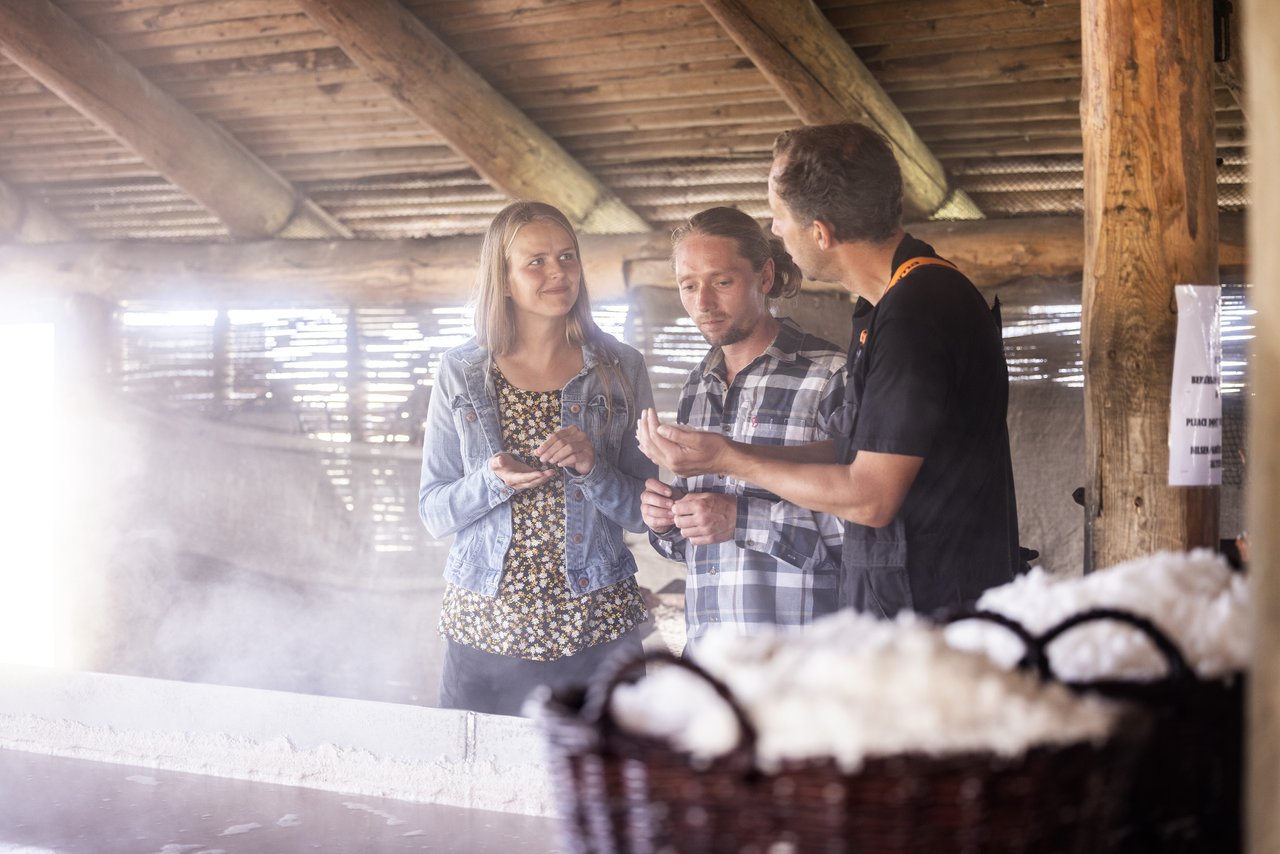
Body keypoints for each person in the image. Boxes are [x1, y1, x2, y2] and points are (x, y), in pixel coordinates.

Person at [638, 123, 1020, 618]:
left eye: (779, 216)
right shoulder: (892, 305)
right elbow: (854, 453)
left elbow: (871, 498)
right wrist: (720, 455)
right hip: (912, 607)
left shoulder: (917, 315)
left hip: (935, 611)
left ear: (820, 232)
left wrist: (730, 461)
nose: (775, 230)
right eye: (688, 285)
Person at [419, 200, 656, 715]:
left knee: (608, 771)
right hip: (485, 631)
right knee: (475, 769)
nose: (559, 272)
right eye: (536, 262)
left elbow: (646, 512)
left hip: (598, 630)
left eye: (567, 257)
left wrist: (594, 469)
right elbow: (434, 512)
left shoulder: (621, 368)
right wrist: (491, 481)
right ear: (503, 280)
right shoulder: (461, 371)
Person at [640, 207, 846, 649]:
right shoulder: (697, 386)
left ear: (765, 276)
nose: (703, 303)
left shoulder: (831, 376)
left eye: (722, 282)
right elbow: (701, 546)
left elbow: (866, 530)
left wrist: (741, 519)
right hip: (710, 660)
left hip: (802, 664)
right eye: (689, 286)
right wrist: (667, 520)